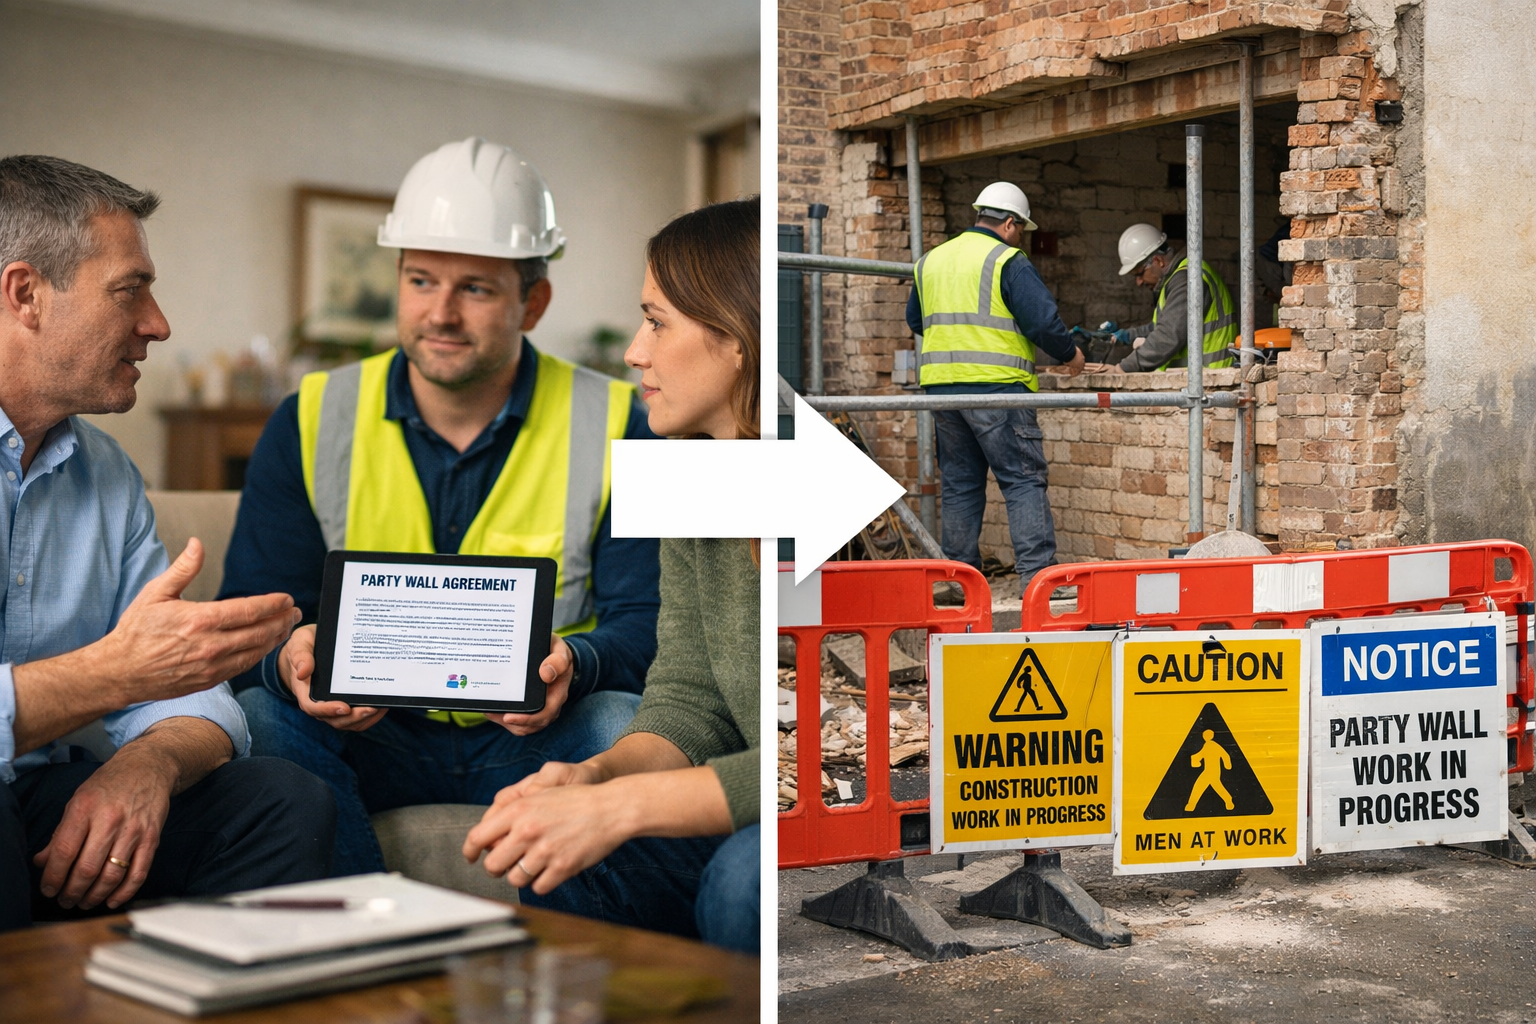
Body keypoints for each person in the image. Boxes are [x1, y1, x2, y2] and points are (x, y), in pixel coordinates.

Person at [224, 137, 661, 877]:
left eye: (477, 289)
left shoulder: (624, 423)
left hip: (540, 736)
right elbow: (252, 611)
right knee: (263, 718)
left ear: (533, 303)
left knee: (621, 724)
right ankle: (360, 929)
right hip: (367, 737)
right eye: (421, 280)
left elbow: (651, 621)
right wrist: (290, 661)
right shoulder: (311, 417)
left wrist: (577, 665)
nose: (442, 313)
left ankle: (586, 949)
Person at [0, 155, 334, 930]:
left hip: (43, 793)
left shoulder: (107, 473)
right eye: (130, 290)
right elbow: (137, 670)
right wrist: (114, 673)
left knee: (282, 801)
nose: (158, 323)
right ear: (24, 294)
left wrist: (147, 764)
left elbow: (190, 695)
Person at [462, 197, 760, 954]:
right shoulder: (685, 473)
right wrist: (595, 778)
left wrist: (624, 807)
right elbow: (691, 699)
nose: (633, 351)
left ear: (736, 339)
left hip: (792, 802)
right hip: (744, 789)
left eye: (657, 323)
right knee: (563, 853)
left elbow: (821, 758)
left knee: (746, 881)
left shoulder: (823, 487)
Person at [907, 182, 1085, 593]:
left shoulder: (930, 260)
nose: (1020, 237)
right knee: (1022, 480)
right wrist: (1071, 355)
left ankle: (957, 584)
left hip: (943, 391)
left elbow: (917, 320)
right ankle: (1038, 581)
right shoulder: (1006, 259)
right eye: (1020, 229)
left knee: (959, 484)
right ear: (1008, 223)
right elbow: (1042, 322)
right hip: (999, 388)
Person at [1089, 223, 1237, 373]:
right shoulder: (1177, 279)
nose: (1138, 282)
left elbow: (1167, 336)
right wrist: (1125, 336)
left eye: (1139, 273)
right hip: (1197, 377)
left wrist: (1121, 369)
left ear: (1158, 261)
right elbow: (1160, 326)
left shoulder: (1187, 280)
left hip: (1207, 379)